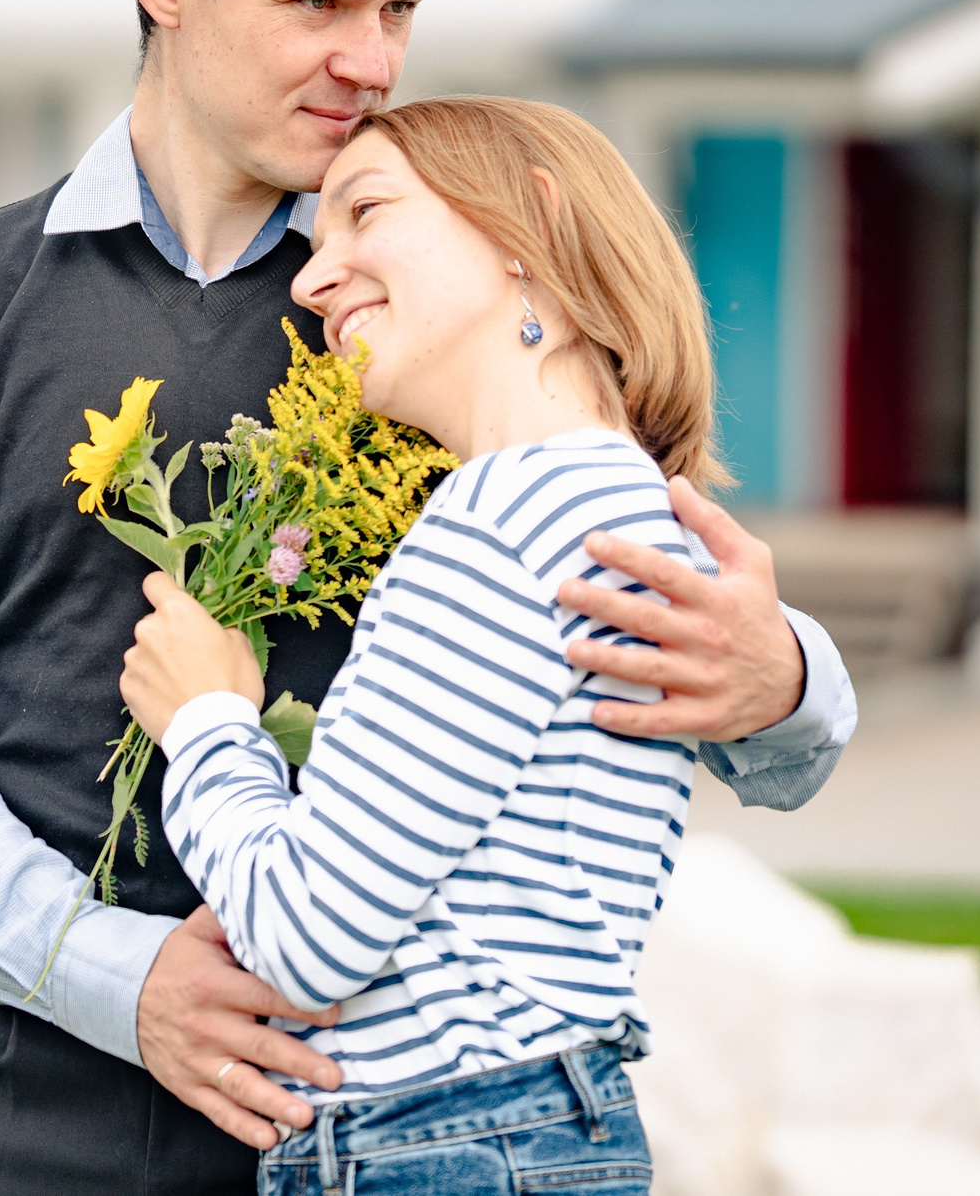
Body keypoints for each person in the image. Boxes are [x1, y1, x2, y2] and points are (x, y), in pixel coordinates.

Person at [0, 0, 856, 1196]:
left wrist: (788, 681)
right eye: (319, 4)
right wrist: (124, 983)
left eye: (400, 9)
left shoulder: (431, 303)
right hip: (9, 1110)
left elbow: (639, 579)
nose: (370, 60)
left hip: (371, 1122)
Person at [119, 95, 749, 1193]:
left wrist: (206, 717)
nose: (314, 280)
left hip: (441, 1143)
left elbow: (308, 935)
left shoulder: (501, 520)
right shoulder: (613, 504)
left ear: (528, 231)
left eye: (365, 210)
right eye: (316, 246)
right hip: (521, 1125)